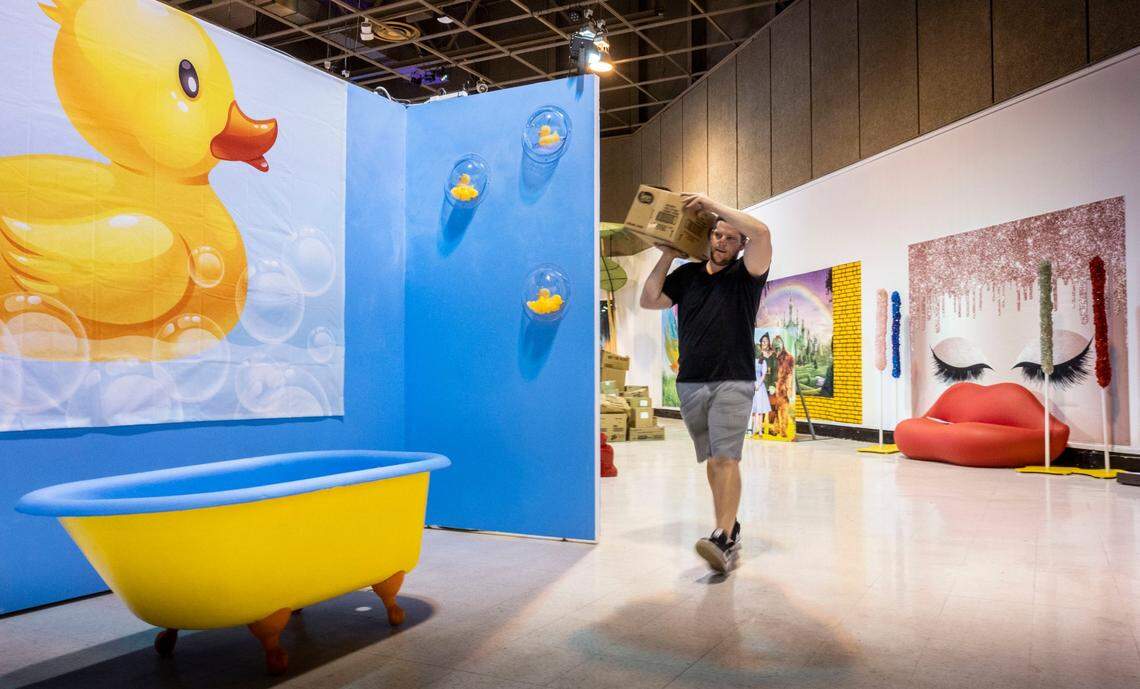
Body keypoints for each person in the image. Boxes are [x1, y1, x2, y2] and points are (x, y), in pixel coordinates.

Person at [639, 193, 772, 573]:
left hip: (733, 378)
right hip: (691, 382)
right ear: (708, 237)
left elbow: (762, 232)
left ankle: (724, 538)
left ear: (740, 244)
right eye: (717, 235)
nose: (722, 243)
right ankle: (729, 526)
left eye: (731, 238)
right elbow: (649, 300)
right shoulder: (687, 276)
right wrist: (668, 253)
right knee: (712, 462)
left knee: (725, 457)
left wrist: (713, 206)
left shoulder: (746, 275)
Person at [750, 335, 773, 437]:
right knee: (753, 410)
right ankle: (753, 429)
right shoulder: (752, 360)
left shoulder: (762, 361)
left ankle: (760, 430)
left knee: (759, 410)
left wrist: (758, 385)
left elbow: (763, 374)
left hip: (759, 386)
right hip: (752, 385)